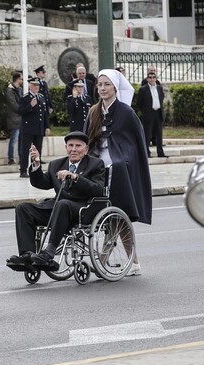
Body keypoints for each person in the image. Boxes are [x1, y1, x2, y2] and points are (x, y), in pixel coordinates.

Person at [84, 69, 152, 276]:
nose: (102, 88)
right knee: (113, 216)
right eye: (99, 85)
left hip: (118, 167)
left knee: (117, 214)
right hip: (98, 165)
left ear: (115, 87)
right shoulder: (94, 111)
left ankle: (108, 259)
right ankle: (127, 261)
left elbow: (135, 145)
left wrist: (123, 161)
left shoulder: (126, 112)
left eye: (106, 85)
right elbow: (87, 139)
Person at [7, 131, 105, 272]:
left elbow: (98, 189)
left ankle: (49, 253)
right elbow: (42, 183)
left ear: (86, 149)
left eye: (78, 146)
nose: (74, 149)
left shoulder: (95, 164)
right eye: (70, 145)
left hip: (82, 209)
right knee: (23, 208)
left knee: (62, 204)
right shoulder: (56, 164)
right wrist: (36, 165)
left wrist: (76, 177)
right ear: (66, 148)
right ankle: (26, 255)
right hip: (58, 209)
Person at [18, 77, 50, 178]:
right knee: (25, 150)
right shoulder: (25, 97)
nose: (37, 87)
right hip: (28, 128)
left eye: (38, 85)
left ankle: (37, 168)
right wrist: (30, 106)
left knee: (38, 150)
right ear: (30, 86)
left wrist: (47, 126)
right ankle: (23, 170)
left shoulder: (41, 97)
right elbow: (20, 112)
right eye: (34, 85)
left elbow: (44, 114)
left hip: (39, 128)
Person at [137, 72, 167, 158]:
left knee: (159, 134)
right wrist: (145, 111)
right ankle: (147, 153)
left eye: (154, 77)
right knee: (147, 134)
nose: (152, 79)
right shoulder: (143, 89)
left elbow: (161, 99)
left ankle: (160, 152)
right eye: (150, 77)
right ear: (147, 79)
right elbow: (139, 102)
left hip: (158, 112)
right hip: (148, 113)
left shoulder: (159, 88)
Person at [4, 72, 23, 165]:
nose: (22, 81)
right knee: (14, 139)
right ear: (17, 79)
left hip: (21, 119)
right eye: (21, 79)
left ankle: (21, 157)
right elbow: (13, 104)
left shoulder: (20, 89)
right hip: (14, 119)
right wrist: (22, 110)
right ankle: (10, 158)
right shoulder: (9, 90)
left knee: (21, 140)